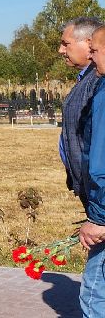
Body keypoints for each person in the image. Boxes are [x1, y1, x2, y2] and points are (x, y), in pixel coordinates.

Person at [57, 24, 105, 318]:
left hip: (103, 211)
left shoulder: (101, 88)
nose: (62, 49)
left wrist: (99, 217)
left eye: (66, 42)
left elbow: (100, 157)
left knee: (95, 295)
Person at [59, 18, 102, 203]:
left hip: (97, 189)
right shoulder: (86, 78)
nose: (61, 50)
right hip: (89, 185)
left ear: (88, 43)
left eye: (66, 44)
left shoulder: (97, 80)